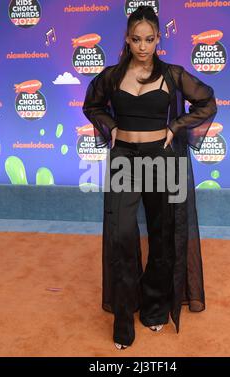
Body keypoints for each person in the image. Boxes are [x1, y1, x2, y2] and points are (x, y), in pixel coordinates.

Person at [83, 5, 218, 350]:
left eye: (149, 39)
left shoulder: (173, 74)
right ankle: (124, 320)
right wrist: (111, 126)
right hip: (123, 160)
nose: (143, 46)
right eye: (136, 40)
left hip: (163, 159)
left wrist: (175, 126)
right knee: (122, 237)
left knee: (163, 237)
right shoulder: (111, 77)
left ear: (159, 39)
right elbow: (92, 105)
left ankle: (155, 309)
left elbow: (206, 103)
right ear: (127, 40)